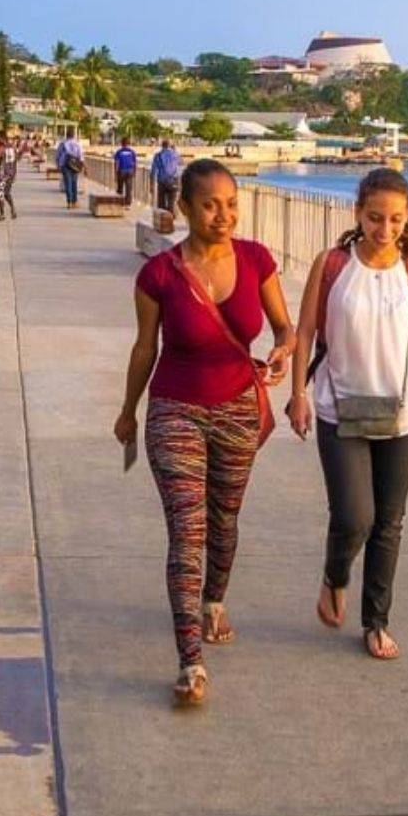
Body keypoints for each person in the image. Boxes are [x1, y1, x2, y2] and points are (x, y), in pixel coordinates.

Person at [115, 158, 294, 706]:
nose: (224, 215)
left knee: (224, 518)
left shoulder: (257, 259)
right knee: (187, 531)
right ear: (185, 207)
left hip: (239, 407)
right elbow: (146, 347)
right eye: (211, 204)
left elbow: (284, 326)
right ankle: (190, 659)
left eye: (232, 203)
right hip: (175, 410)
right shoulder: (159, 275)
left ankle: (214, 599)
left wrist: (283, 351)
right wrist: (129, 410)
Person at [287, 167, 408, 661]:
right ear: (358, 213)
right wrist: (298, 394)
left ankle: (375, 622)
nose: (385, 229)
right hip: (338, 408)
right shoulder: (333, 264)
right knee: (353, 516)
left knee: (389, 522)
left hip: (404, 414)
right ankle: (334, 574)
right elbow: (304, 335)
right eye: (376, 217)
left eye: (396, 219)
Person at [0, 129, 18, 221]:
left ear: (1, 137)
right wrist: (14, 174)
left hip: (2, 175)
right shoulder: (13, 148)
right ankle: (13, 209)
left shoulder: (1, 148)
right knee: (7, 193)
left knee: (0, 194)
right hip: (10, 174)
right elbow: (15, 162)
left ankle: (2, 214)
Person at [151, 138, 182, 214]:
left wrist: (151, 184)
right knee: (172, 201)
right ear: (170, 146)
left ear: (162, 146)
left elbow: (154, 170)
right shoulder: (175, 154)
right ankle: (170, 218)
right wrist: (175, 149)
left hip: (162, 181)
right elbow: (181, 162)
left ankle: (163, 219)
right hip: (174, 180)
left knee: (161, 203)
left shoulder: (158, 155)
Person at [57, 128, 86, 209]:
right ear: (74, 135)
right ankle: (74, 201)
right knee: (74, 184)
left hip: (65, 166)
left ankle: (69, 202)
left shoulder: (62, 144)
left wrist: (58, 166)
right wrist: (84, 167)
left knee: (68, 184)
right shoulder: (77, 144)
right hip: (75, 166)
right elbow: (81, 156)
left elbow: (58, 155)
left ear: (67, 135)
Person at [113, 138, 139, 206]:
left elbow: (117, 163)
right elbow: (135, 163)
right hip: (130, 171)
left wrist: (115, 174)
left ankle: (119, 202)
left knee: (120, 187)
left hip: (121, 171)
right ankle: (128, 203)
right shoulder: (132, 152)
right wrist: (134, 172)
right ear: (128, 144)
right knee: (128, 188)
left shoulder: (119, 152)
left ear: (122, 143)